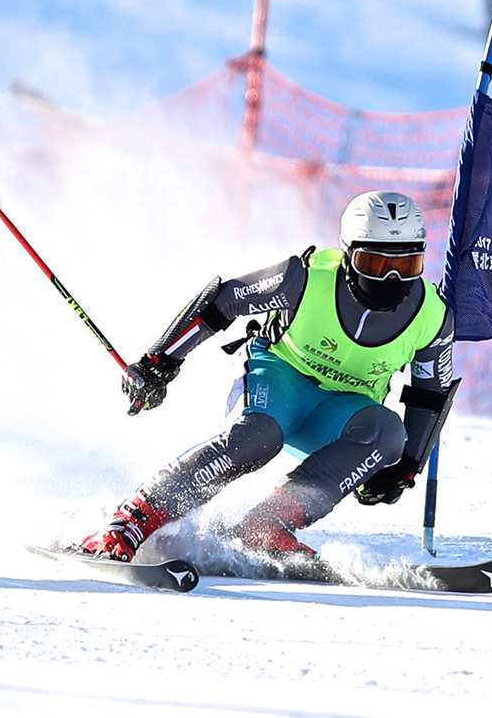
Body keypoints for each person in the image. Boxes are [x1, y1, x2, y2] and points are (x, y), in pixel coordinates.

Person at [75, 191, 459, 565]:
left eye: (407, 265)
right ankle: (132, 521)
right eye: (374, 263)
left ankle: (265, 527)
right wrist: (160, 361)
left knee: (388, 434)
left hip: (342, 410)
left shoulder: (432, 315)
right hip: (278, 377)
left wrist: (406, 465)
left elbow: (430, 394)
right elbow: (224, 301)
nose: (391, 278)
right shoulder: (306, 278)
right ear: (347, 255)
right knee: (259, 438)